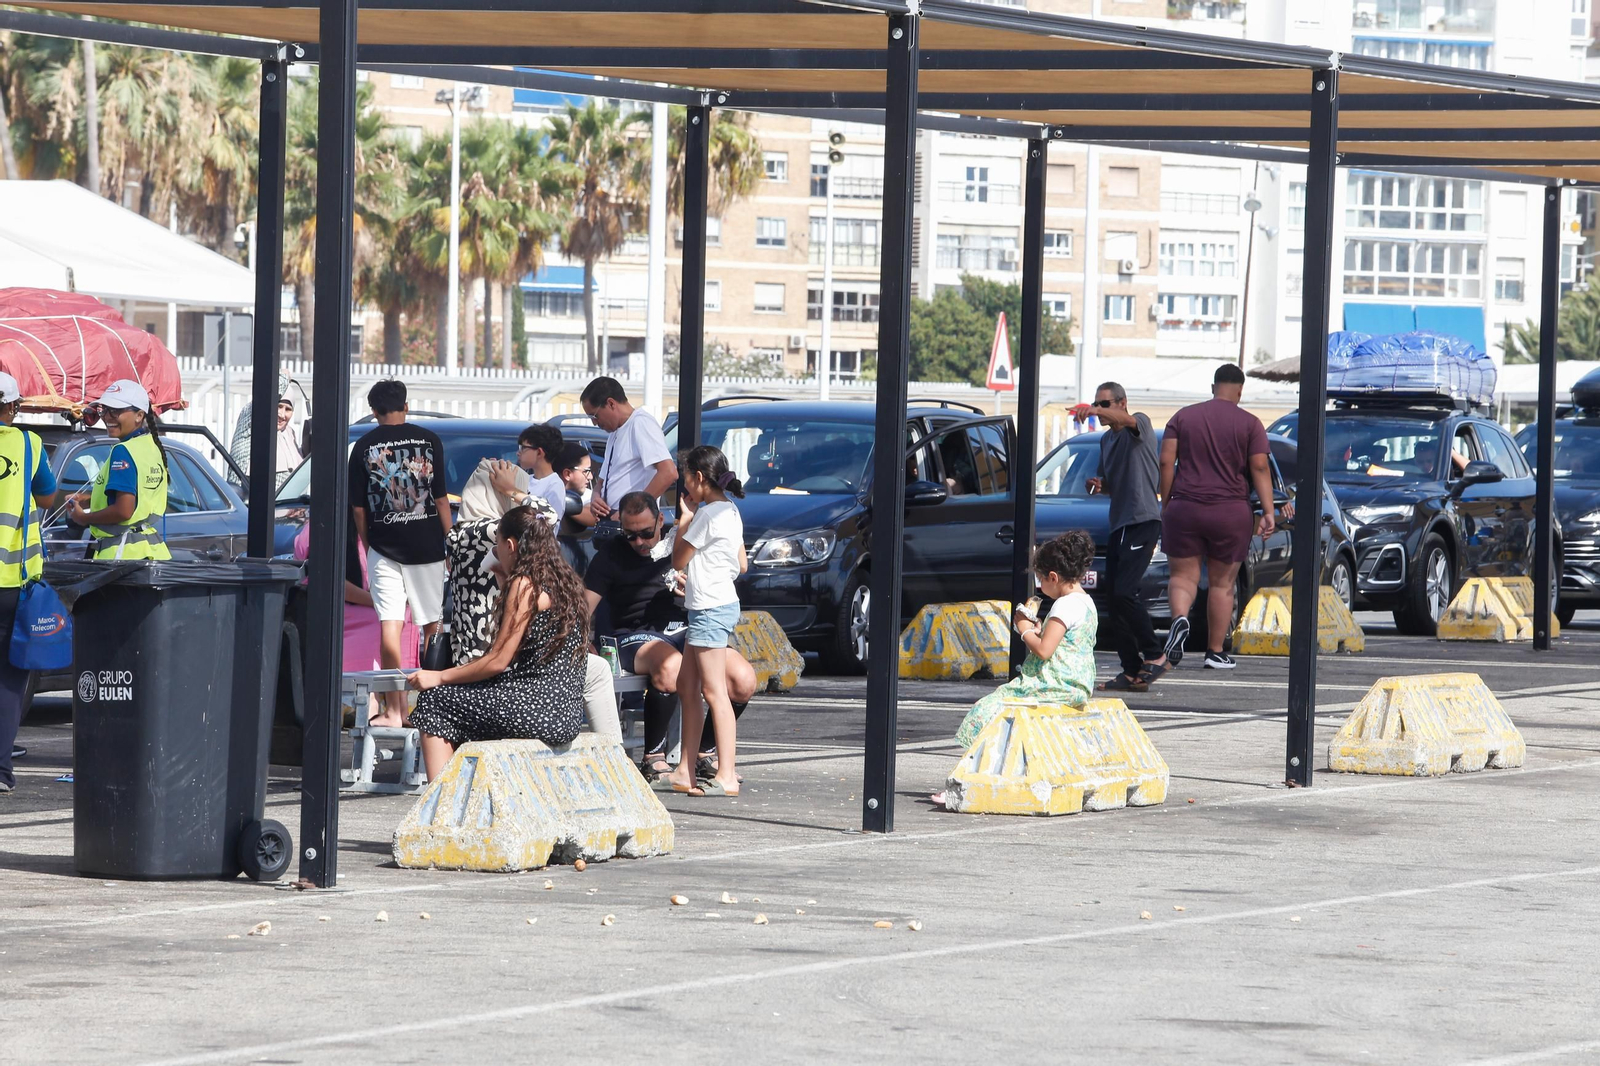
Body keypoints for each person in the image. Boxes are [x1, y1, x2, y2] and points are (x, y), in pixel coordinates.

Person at [583, 491, 758, 784]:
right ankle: (653, 757)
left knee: (743, 679)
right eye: (630, 535)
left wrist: (692, 587)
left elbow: (725, 574)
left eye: (645, 533)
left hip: (683, 629)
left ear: (660, 521)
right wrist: (581, 639)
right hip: (631, 635)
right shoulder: (611, 554)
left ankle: (703, 752)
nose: (639, 542)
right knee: (671, 667)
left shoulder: (680, 543)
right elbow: (582, 607)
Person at [406, 506, 589, 781]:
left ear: (510, 545)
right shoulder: (564, 582)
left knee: (434, 702)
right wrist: (503, 578)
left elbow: (498, 661)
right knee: (468, 696)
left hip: (537, 710)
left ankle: (442, 799)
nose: (496, 552)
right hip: (564, 712)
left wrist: (438, 677)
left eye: (498, 546)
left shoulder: (524, 584)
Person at [945, 531, 1099, 775]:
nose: (1040, 586)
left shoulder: (1064, 605)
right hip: (1076, 684)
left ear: (1053, 577)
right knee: (999, 701)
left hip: (1055, 684)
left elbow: (1044, 650)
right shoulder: (1085, 602)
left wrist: (1024, 629)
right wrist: (1038, 630)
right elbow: (1063, 642)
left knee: (989, 706)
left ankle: (975, 775)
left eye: (1041, 580)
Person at [1158, 363, 1275, 671]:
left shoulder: (1183, 417)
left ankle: (1180, 619)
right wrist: (1268, 511)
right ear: (1240, 391)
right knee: (1222, 585)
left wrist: (1167, 502)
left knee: (1182, 578)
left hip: (1185, 508)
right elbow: (1260, 467)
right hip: (1230, 511)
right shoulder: (1250, 423)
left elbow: (1166, 462)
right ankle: (1214, 651)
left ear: (1213, 387)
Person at [348, 380, 450, 725]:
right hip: (427, 545)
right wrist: (449, 541)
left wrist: (369, 545)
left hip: (384, 547)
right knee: (432, 626)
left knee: (389, 625)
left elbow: (359, 509)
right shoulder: (429, 440)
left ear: (373, 410)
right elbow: (440, 499)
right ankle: (432, 707)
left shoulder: (363, 446)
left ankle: (395, 710)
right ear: (406, 405)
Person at [1074, 381, 1169, 692]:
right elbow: (1112, 484)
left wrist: (1093, 411)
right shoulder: (1107, 441)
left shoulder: (1139, 424)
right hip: (1119, 523)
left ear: (1122, 403)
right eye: (1096, 404)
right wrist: (1099, 485)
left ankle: (1155, 654)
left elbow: (1126, 421)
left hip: (1143, 520)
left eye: (1105, 404)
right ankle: (1130, 670)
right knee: (1113, 598)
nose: (1099, 410)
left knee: (1125, 591)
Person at [664, 445, 747, 798]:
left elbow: (678, 560)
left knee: (713, 691)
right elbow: (741, 564)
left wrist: (685, 519)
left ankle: (726, 775)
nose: (683, 486)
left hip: (710, 609)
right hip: (710, 606)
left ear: (699, 477)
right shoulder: (730, 510)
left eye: (685, 478)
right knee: (687, 685)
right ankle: (685, 771)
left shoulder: (708, 514)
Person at [0, 373, 59, 793]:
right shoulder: (28, 445)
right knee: (8, 681)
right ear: (13, 406)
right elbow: (47, 497)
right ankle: (1, 771)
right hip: (11, 584)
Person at [66, 379, 171, 561]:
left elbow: (124, 511)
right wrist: (89, 499)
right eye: (104, 410)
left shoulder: (123, 451)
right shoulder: (150, 445)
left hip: (123, 556)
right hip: (148, 551)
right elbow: (138, 497)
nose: (107, 417)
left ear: (139, 415)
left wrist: (83, 518)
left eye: (115, 410)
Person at [580, 377, 676, 534]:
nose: (594, 423)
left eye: (594, 416)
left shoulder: (641, 423)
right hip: (612, 521)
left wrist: (631, 510)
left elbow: (668, 473)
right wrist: (595, 497)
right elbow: (602, 482)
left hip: (633, 526)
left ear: (611, 403)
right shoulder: (615, 432)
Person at [517, 422, 569, 520]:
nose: (518, 453)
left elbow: (549, 521)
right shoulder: (526, 478)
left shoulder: (554, 484)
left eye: (523, 448)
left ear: (539, 453)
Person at [555, 441, 597, 533]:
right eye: (586, 471)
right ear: (567, 474)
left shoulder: (589, 496)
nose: (590, 477)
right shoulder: (536, 488)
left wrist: (558, 502)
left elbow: (594, 516)